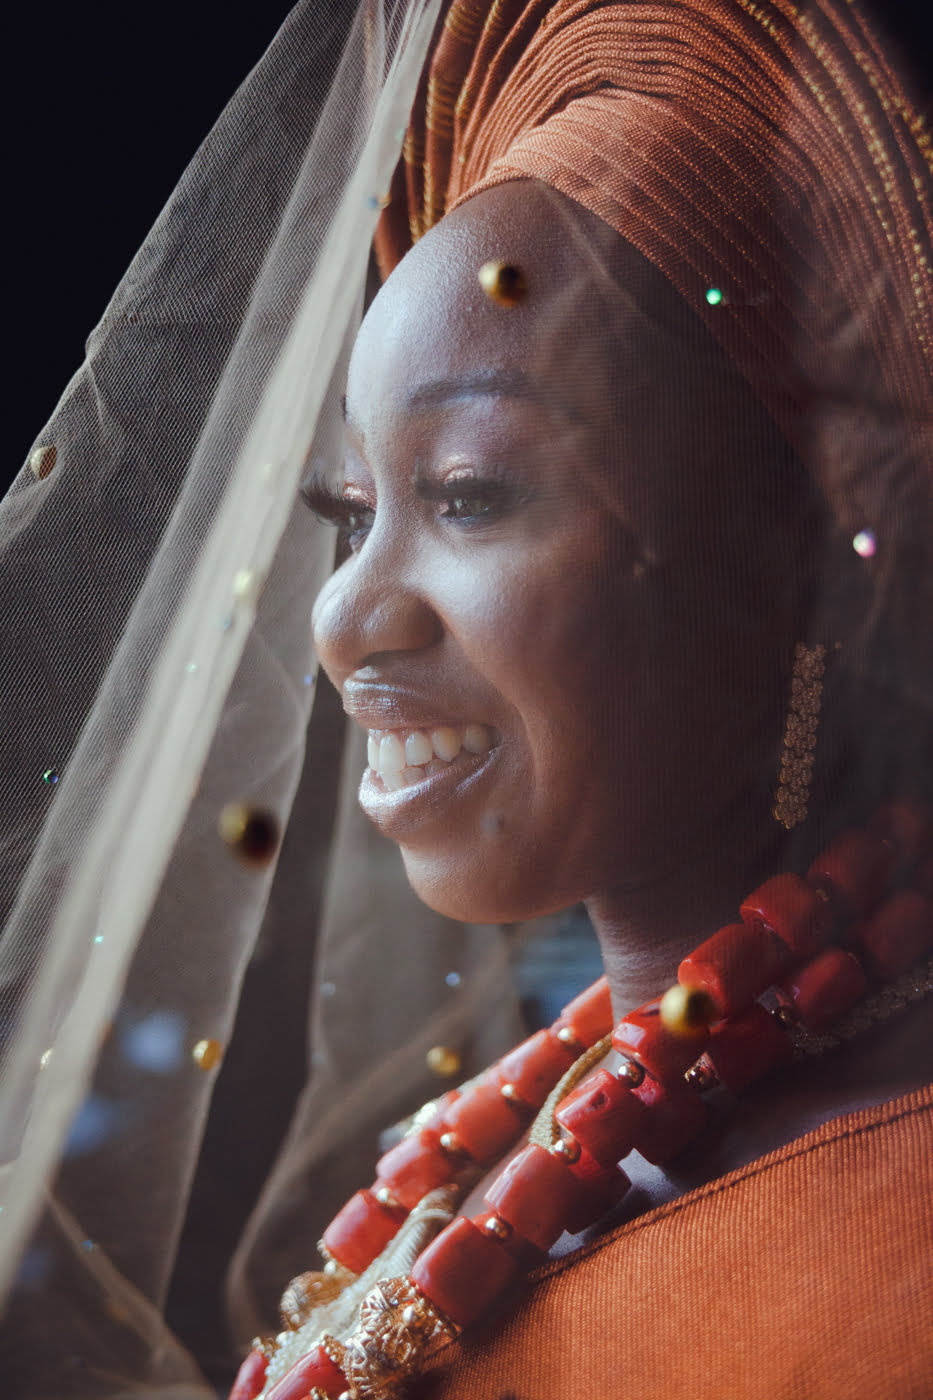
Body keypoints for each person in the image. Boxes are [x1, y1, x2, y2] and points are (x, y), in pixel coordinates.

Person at [0, 2, 930, 1398]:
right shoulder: (518, 1147)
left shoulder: (876, 1266)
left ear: (798, 560)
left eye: (468, 494)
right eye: (350, 509)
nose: (342, 617)